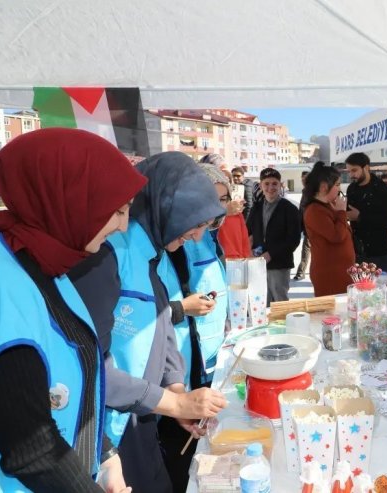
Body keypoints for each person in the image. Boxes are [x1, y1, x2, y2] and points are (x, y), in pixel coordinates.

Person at [69, 152, 229, 492]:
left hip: (140, 417)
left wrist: (175, 389)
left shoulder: (150, 255)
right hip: (105, 432)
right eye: (196, 223)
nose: (198, 237)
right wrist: (174, 403)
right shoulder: (106, 256)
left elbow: (161, 328)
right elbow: (87, 365)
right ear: (169, 207)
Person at [0, 128, 147, 492]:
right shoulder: (6, 284)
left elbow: (76, 377)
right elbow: (30, 448)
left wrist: (105, 454)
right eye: (117, 211)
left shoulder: (46, 264)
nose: (123, 225)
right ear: (67, 200)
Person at [158, 161, 232, 491]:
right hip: (169, 370)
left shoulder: (207, 235)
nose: (206, 226)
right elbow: (146, 316)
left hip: (194, 355)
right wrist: (182, 308)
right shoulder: (164, 244)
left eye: (221, 203)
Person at [247, 168, 301, 304]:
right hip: (258, 263)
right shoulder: (256, 208)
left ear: (280, 185)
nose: (270, 187)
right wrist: (250, 250)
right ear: (260, 185)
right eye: (266, 184)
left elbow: (293, 239)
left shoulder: (289, 209)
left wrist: (271, 254)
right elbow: (248, 232)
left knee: (279, 301)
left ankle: (282, 326)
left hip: (279, 264)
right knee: (261, 301)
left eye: (274, 184)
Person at [302, 162, 355, 296]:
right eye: (337, 185)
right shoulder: (314, 210)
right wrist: (342, 212)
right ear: (324, 187)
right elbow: (337, 236)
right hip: (330, 274)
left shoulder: (328, 206)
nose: (339, 188)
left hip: (341, 272)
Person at [345, 152, 387, 274]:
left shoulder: (383, 189)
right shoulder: (351, 189)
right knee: (359, 289)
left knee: (381, 288)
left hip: (378, 252)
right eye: (349, 171)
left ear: (366, 168)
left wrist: (360, 216)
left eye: (354, 170)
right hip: (357, 251)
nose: (352, 175)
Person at [211, 164, 252, 260]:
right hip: (217, 259)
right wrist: (223, 212)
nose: (224, 184)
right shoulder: (206, 213)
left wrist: (245, 259)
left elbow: (244, 239)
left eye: (227, 181)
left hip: (237, 261)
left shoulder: (236, 211)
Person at [294, 170, 311, 281]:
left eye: (306, 178)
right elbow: (302, 209)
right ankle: (301, 272)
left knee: (307, 248)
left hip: (313, 226)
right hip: (305, 225)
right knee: (306, 248)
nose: (304, 180)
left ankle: (301, 271)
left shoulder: (313, 191)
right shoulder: (305, 191)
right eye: (302, 178)